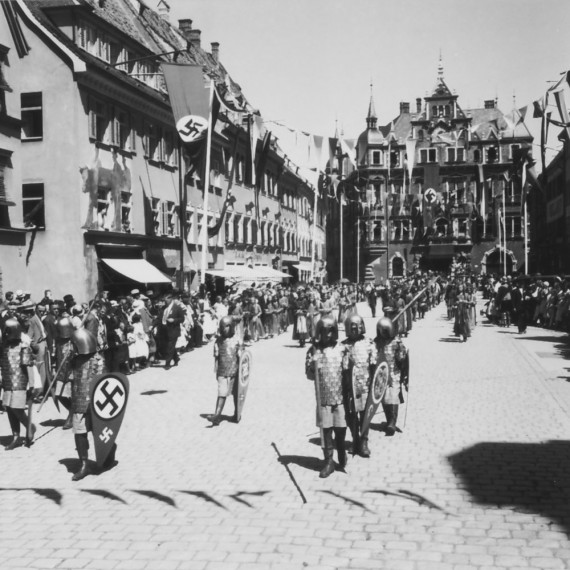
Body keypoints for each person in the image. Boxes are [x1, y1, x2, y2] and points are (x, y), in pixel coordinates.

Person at [305, 316, 347, 478]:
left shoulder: (342, 349)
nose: (328, 335)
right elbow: (309, 376)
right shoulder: (314, 351)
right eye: (325, 331)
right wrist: (311, 365)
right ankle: (328, 461)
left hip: (340, 396)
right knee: (326, 429)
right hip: (323, 397)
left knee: (341, 428)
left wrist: (349, 364)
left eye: (331, 331)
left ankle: (341, 449)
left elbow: (348, 373)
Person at [68, 319, 109, 481]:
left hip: (95, 404)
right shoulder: (75, 360)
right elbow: (71, 379)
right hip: (79, 401)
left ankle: (109, 450)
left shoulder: (98, 361)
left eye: (73, 344)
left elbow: (104, 386)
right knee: (79, 432)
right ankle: (84, 463)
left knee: (99, 433)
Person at [342, 315, 377, 457]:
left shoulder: (369, 343)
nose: (355, 330)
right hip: (349, 387)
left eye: (357, 327)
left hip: (365, 385)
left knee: (364, 415)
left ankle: (363, 441)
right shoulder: (342, 346)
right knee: (351, 416)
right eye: (352, 327)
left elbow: (375, 365)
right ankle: (354, 439)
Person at [0, 318, 37, 449]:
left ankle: (29, 426)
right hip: (7, 382)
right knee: (9, 409)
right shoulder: (3, 346)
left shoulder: (23, 347)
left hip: (20, 382)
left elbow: (28, 367)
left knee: (17, 408)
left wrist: (32, 384)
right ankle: (15, 436)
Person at [375, 317, 408, 437]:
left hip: (394, 373)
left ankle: (392, 422)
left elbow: (402, 359)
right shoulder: (376, 342)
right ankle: (389, 419)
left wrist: (401, 352)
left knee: (393, 396)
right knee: (384, 398)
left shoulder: (396, 342)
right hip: (381, 375)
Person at [208, 316, 243, 426]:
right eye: (222, 327)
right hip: (222, 371)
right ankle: (217, 415)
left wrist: (241, 352)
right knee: (221, 393)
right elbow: (217, 358)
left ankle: (237, 414)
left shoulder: (237, 339)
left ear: (232, 327)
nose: (224, 329)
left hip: (235, 371)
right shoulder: (218, 341)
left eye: (227, 326)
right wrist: (216, 371)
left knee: (236, 394)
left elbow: (243, 357)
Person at [160, 292, 185, 369]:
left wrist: (174, 320)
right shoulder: (164, 308)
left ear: (171, 299)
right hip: (165, 329)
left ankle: (167, 364)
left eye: (167, 299)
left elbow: (182, 319)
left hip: (173, 330)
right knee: (170, 346)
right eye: (165, 299)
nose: (165, 301)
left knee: (170, 346)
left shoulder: (177, 307)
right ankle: (176, 358)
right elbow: (159, 317)